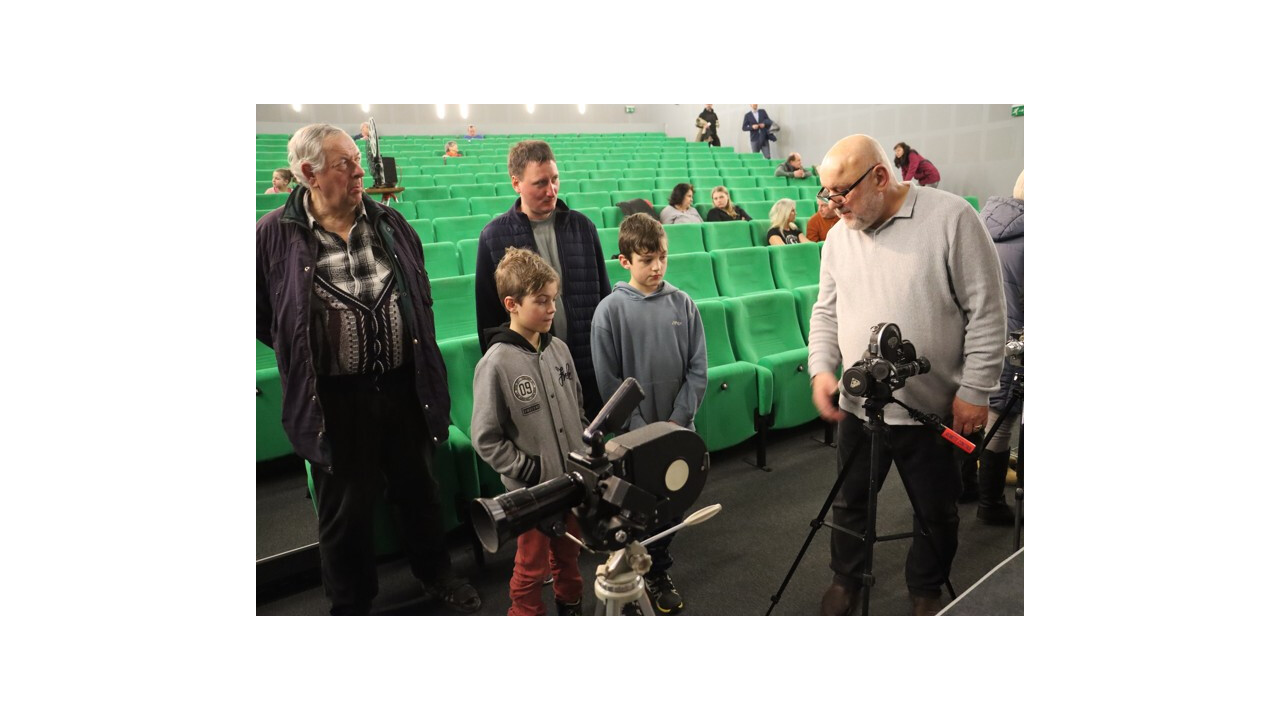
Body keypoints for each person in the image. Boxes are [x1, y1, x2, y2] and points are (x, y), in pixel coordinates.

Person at [256, 123, 480, 616]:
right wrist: (306, 348)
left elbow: (417, 293)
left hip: (403, 384)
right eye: (345, 164)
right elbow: (263, 313)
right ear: (310, 173)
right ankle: (351, 603)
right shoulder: (273, 234)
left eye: (357, 161)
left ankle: (436, 575)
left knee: (419, 488)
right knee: (346, 509)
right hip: (334, 398)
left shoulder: (389, 221)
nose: (361, 172)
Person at [808, 134, 1006, 616]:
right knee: (850, 503)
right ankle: (846, 579)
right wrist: (820, 369)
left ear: (880, 176)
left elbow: (987, 311)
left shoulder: (952, 217)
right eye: (826, 194)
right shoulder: (837, 237)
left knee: (935, 511)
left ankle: (925, 592)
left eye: (841, 192)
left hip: (933, 410)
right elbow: (826, 311)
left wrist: (976, 390)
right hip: (860, 406)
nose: (833, 205)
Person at [591, 214, 707, 614]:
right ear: (625, 261)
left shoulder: (683, 303)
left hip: (678, 429)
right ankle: (641, 571)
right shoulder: (609, 311)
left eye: (662, 257)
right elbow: (610, 383)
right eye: (646, 260)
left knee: (674, 503)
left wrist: (677, 421)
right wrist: (643, 431)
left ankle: (658, 568)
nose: (657, 267)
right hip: (634, 438)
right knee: (638, 510)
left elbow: (698, 368)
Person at [472, 248, 589, 616]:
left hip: (570, 483)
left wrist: (583, 448)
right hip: (532, 495)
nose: (552, 308)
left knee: (569, 556)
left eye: (553, 299)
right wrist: (530, 469)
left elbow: (578, 409)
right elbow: (485, 438)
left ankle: (571, 606)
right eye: (541, 301)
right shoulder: (495, 364)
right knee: (531, 569)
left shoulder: (560, 350)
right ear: (512, 304)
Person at [475, 140, 612, 418]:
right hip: (533, 374)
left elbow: (604, 298)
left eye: (555, 179)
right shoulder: (493, 236)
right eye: (540, 183)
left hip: (588, 366)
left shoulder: (584, 227)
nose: (551, 191)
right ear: (516, 183)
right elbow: (489, 319)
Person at [971, 170, 1024, 526]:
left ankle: (976, 493)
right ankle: (992, 504)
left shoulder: (981, 227)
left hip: (982, 339)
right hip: (1017, 343)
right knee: (1004, 425)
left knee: (988, 418)